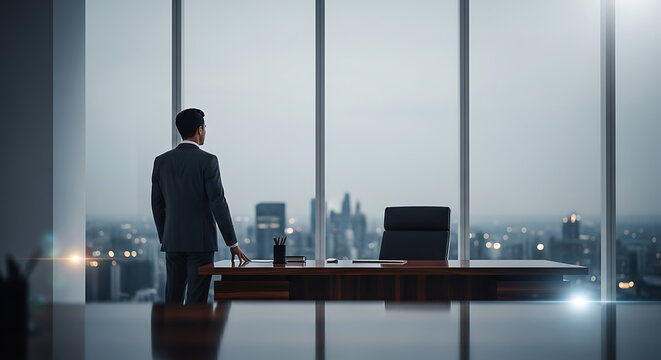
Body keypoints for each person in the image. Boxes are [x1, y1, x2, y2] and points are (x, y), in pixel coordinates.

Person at [151, 108, 250, 304]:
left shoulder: (161, 161)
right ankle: (194, 335)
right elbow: (218, 202)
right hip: (200, 242)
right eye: (204, 127)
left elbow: (157, 205)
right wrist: (232, 243)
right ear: (199, 130)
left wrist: (166, 236)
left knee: (173, 298)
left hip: (172, 241)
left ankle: (170, 335)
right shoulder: (208, 161)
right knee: (197, 301)